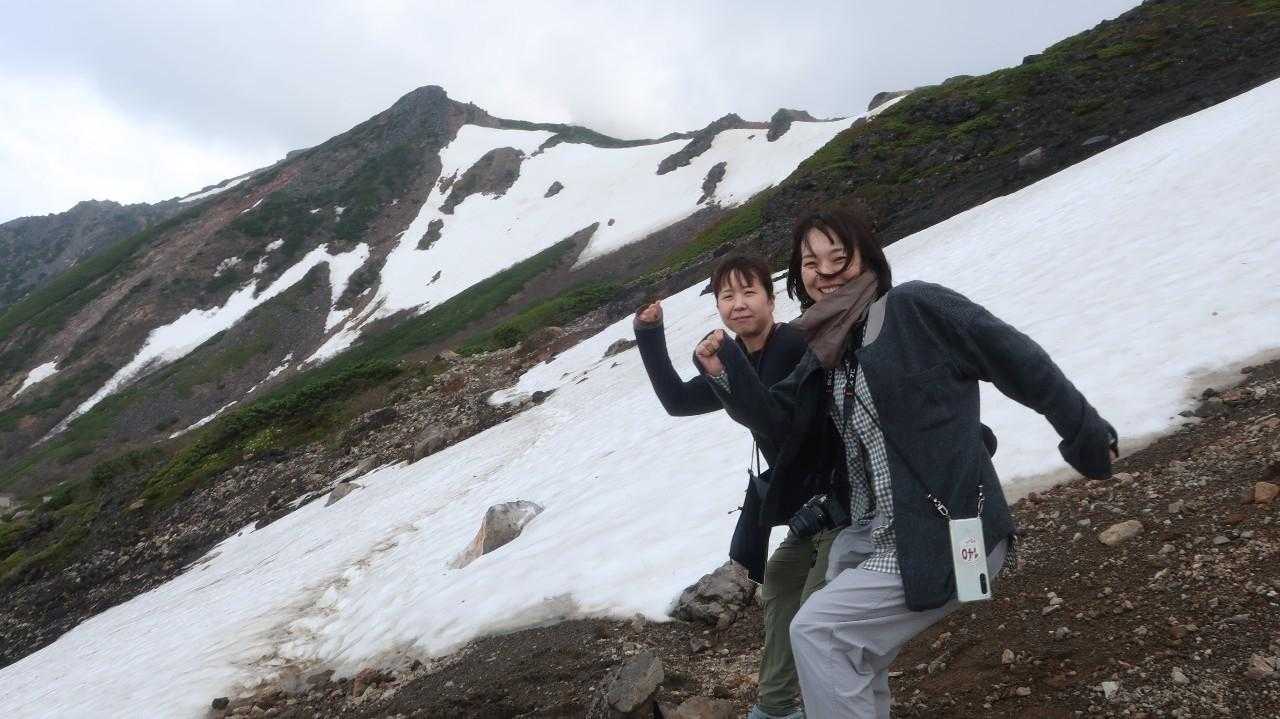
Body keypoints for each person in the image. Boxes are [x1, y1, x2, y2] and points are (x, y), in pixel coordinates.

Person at [693, 207, 1117, 718]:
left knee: (818, 632)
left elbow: (1014, 356)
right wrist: (725, 369)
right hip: (870, 532)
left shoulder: (914, 309)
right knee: (850, 654)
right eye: (810, 262)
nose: (824, 272)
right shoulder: (826, 350)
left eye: (838, 257)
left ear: (869, 259)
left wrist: (1084, 431)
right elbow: (775, 415)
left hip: (943, 530)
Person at [634, 254, 832, 719]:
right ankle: (776, 707)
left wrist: (725, 371)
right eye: (727, 296)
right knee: (780, 582)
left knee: (816, 611)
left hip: (840, 497)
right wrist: (649, 334)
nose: (738, 304)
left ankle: (831, 706)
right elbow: (678, 400)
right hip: (806, 507)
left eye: (748, 292)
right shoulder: (738, 358)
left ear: (771, 298)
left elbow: (772, 416)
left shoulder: (793, 346)